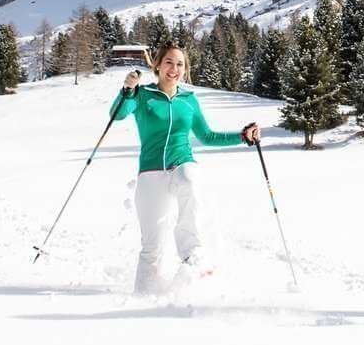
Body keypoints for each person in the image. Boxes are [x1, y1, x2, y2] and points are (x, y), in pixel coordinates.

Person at [110, 45, 259, 293]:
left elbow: (207, 136)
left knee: (189, 180)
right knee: (152, 246)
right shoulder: (142, 94)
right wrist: (126, 91)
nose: (174, 69)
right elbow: (117, 115)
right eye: (169, 62)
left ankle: (193, 255)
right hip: (151, 171)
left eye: (180, 64)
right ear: (157, 65)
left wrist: (243, 136)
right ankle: (145, 297)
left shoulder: (188, 100)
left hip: (182, 161)